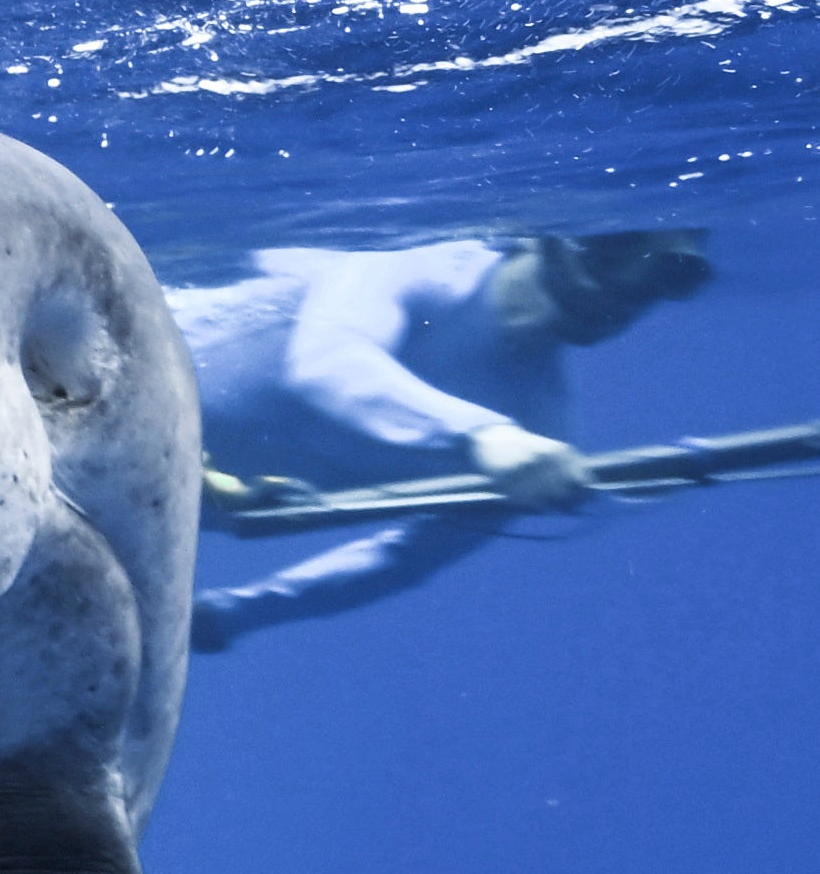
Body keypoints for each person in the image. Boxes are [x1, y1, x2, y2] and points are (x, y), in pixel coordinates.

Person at [166, 227, 716, 648]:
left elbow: (403, 559)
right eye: (620, 252)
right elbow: (325, 360)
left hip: (141, 495)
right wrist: (481, 433)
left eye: (671, 278)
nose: (629, 292)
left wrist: (239, 611)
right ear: (550, 237)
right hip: (99, 373)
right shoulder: (422, 260)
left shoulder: (539, 435)